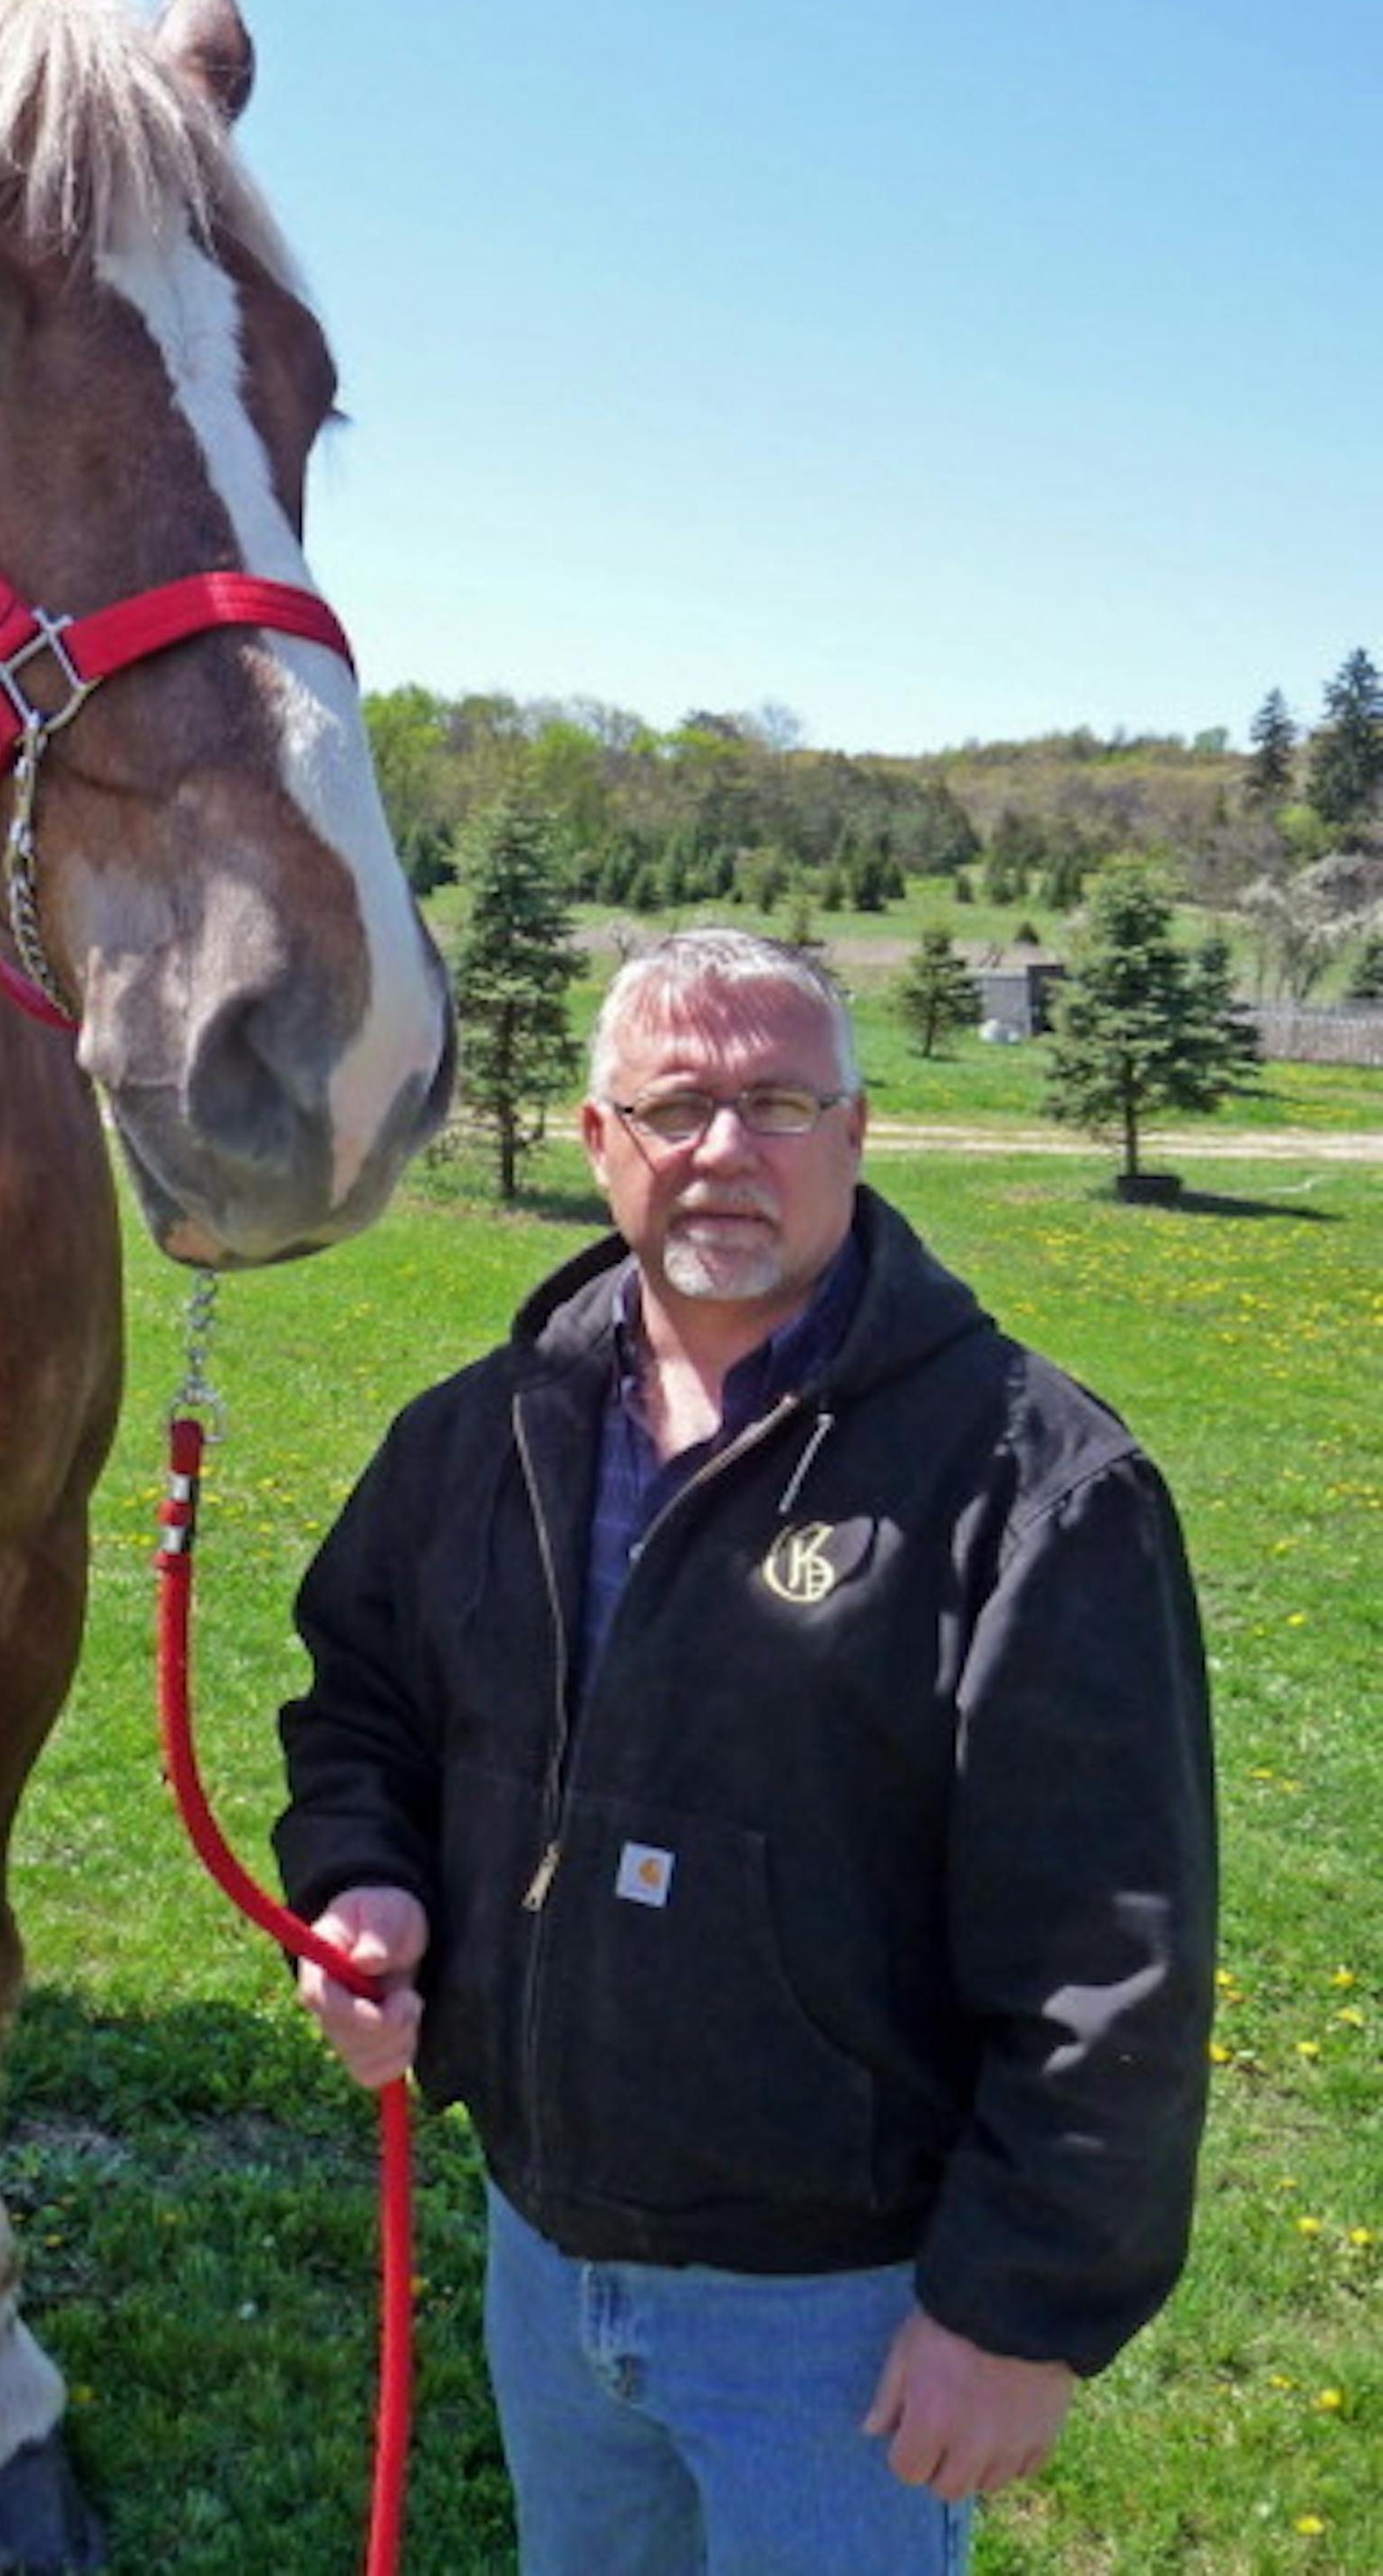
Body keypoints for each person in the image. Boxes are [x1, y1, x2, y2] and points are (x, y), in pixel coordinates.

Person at [274, 926, 1216, 2575]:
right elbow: (359, 1698)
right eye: (675, 1104)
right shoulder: (479, 1433)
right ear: (596, 1140)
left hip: (835, 2322)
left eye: (779, 1102)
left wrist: (1018, 2312)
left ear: (857, 1136)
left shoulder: (1034, 1486)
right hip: (542, 2255)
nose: (724, 1148)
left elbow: (1110, 1946)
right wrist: (369, 1881)